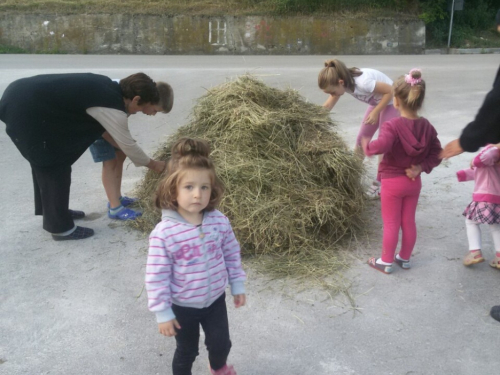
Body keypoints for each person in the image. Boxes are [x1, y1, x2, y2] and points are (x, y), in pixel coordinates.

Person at [0, 72, 167, 241]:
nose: (138, 112)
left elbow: (108, 133)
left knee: (50, 161)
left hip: (21, 96)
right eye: (140, 108)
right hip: (23, 107)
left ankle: (54, 212)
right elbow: (128, 146)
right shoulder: (112, 105)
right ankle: (60, 228)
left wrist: (123, 145)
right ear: (136, 99)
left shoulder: (109, 88)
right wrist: (155, 165)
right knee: (52, 163)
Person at [145, 138, 246, 375]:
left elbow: (231, 252)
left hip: (214, 301)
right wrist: (162, 312)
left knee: (222, 343)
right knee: (187, 351)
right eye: (188, 187)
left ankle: (218, 367)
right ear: (173, 190)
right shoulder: (164, 233)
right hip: (182, 306)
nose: (197, 195)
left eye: (204, 187)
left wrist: (237, 283)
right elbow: (156, 276)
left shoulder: (219, 221)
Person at [440, 9, 500, 323]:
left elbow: (497, 102)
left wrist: (467, 141)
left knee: (474, 221)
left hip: (483, 201)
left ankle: (476, 251)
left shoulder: (490, 155)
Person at [361, 69, 442, 274]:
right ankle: (404, 259)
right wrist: (421, 167)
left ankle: (385, 261)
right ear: (419, 100)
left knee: (390, 223)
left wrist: (367, 146)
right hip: (413, 182)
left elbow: (382, 146)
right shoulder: (428, 127)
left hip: (391, 182)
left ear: (395, 101)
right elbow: (437, 153)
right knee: (408, 221)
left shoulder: (392, 126)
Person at [89, 81, 174, 221]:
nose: (153, 114)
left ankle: (117, 197)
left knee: (120, 155)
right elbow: (105, 132)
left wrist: (123, 145)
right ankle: (115, 207)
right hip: (97, 128)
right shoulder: (124, 100)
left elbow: (119, 130)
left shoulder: (133, 103)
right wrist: (152, 164)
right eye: (155, 110)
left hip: (108, 128)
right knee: (109, 162)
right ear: (148, 100)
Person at [318, 58, 399, 198]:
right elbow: (327, 107)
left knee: (384, 144)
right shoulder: (342, 85)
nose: (332, 95)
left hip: (393, 102)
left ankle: (380, 184)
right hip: (377, 102)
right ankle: (351, 176)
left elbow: (390, 91)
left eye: (332, 92)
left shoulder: (363, 82)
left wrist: (375, 112)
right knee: (362, 140)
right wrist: (314, 119)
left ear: (340, 82)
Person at [456, 144, 500, 268]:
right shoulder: (495, 156)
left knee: (471, 222)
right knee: (495, 226)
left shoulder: (493, 151)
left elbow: (479, 161)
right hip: (497, 197)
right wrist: (463, 174)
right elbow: (480, 169)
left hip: (484, 195)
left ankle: (475, 252)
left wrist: (492, 146)